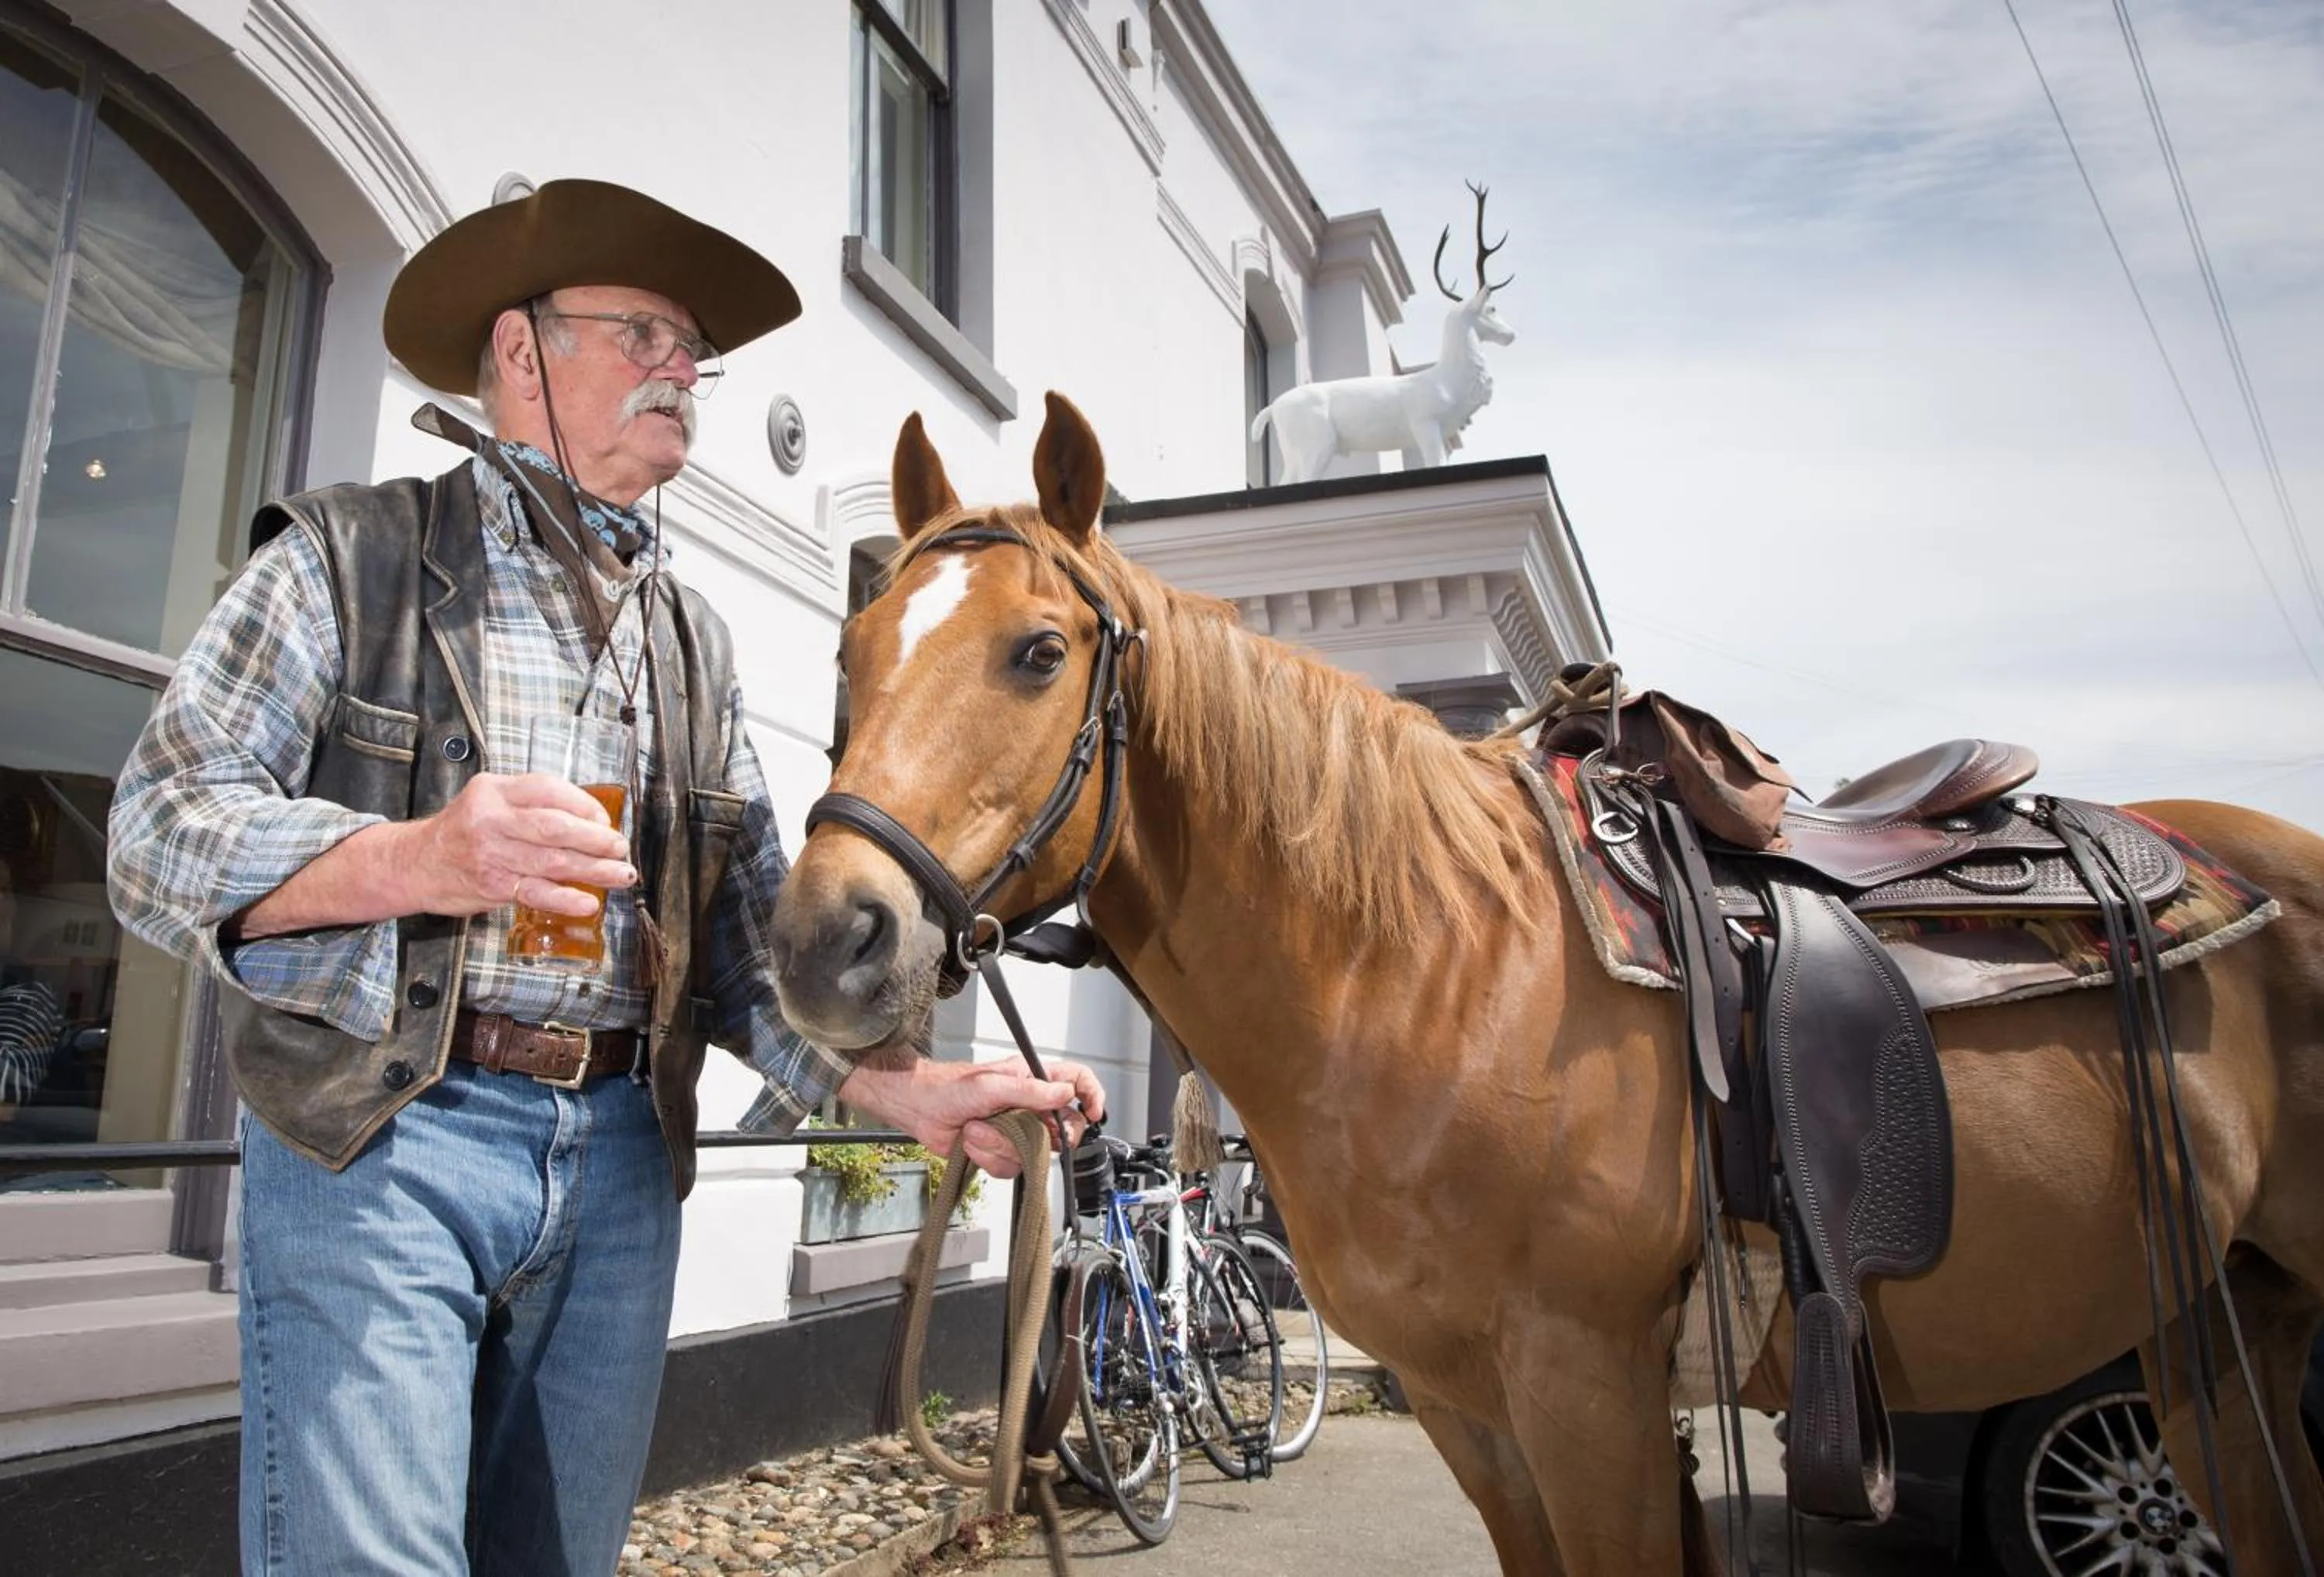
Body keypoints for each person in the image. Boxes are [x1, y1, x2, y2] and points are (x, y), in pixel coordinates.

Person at [105, 179, 1102, 1577]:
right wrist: (415, 858)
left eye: (693, 351)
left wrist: (903, 1090)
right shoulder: (354, 553)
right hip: (385, 1139)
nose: (681, 371)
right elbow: (156, 829)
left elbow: (749, 938)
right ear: (522, 357)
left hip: (625, 1158)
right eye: (643, 334)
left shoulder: (690, 634)